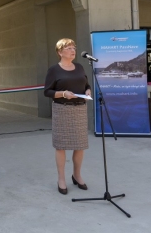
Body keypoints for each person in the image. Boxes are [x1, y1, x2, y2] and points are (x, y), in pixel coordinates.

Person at [43, 38, 91, 195]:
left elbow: (86, 84)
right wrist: (63, 93)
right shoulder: (54, 70)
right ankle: (61, 178)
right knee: (61, 145)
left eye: (74, 48)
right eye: (69, 48)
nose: (73, 50)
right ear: (60, 52)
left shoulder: (79, 67)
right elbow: (47, 91)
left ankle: (77, 175)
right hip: (62, 109)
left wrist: (88, 91)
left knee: (80, 145)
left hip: (79, 110)